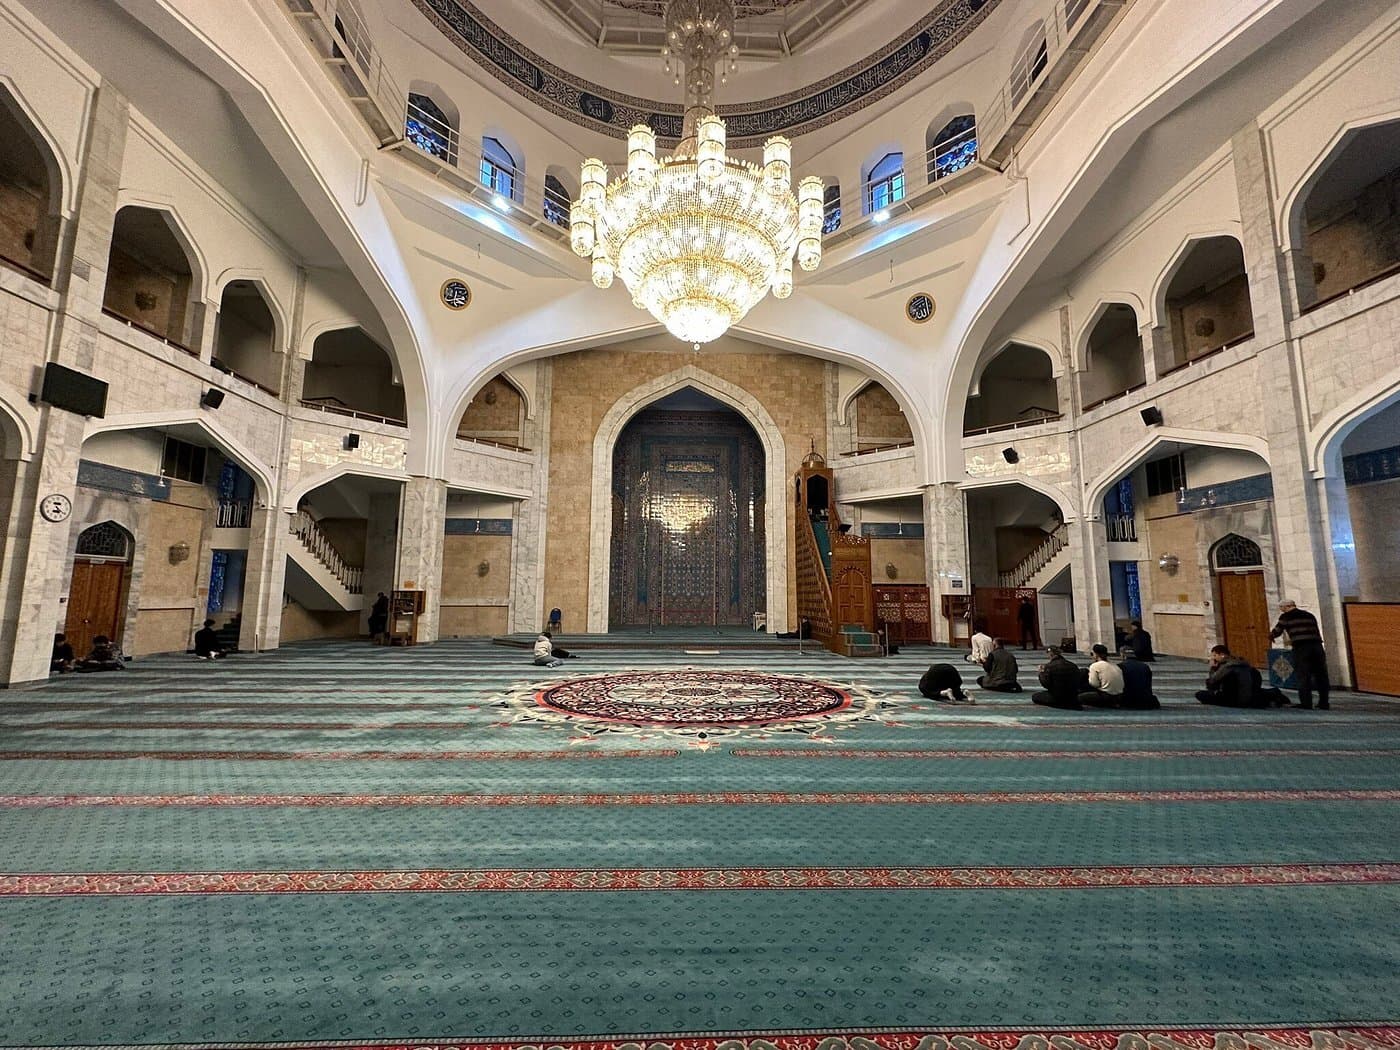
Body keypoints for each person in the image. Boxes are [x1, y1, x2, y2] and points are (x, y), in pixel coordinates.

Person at [1270, 600, 1330, 710]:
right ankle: (1324, 702)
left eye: (1281, 607)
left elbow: (1277, 631)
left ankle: (1306, 703)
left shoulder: (1286, 616)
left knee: (1303, 675)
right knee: (1321, 675)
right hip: (1317, 646)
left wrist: (1271, 636)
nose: (1281, 609)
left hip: (1302, 648)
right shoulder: (1309, 615)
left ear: (1287, 606)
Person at [1196, 644, 1262, 707]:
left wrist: (1213, 668)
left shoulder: (1228, 666)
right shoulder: (1243, 663)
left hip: (1234, 700)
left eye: (1215, 655)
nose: (1213, 658)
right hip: (1250, 698)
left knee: (1200, 694)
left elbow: (1212, 680)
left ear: (1222, 655)